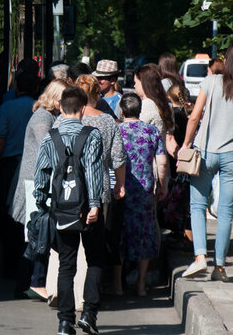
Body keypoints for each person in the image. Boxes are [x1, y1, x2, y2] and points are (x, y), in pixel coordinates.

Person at [181, 43, 233, 282]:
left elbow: (195, 115)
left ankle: (200, 256)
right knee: (225, 210)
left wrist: (186, 144)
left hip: (205, 151)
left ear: (227, 61)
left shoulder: (211, 81)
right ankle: (220, 266)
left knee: (198, 204)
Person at [33, 87, 105, 335]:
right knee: (95, 260)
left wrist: (42, 203)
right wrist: (95, 204)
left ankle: (65, 322)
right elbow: (95, 172)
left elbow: (41, 173)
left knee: (66, 265)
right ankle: (88, 315)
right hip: (87, 207)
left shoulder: (50, 137)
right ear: (83, 109)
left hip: (61, 209)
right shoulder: (92, 136)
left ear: (61, 108)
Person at [10, 79, 69, 300]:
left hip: (37, 180)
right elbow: (50, 146)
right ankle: (31, 283)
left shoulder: (48, 115)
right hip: (34, 182)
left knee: (36, 232)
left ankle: (31, 281)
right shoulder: (43, 118)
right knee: (35, 233)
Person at [73, 75, 128, 296]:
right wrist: (120, 185)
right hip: (100, 187)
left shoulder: (66, 119)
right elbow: (118, 158)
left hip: (70, 188)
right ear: (97, 94)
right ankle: (93, 295)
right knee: (96, 246)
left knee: (70, 246)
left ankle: (70, 294)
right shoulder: (107, 120)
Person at [0, 68, 39, 293]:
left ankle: (9, 266)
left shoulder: (7, 107)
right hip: (31, 166)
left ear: (16, 86)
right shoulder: (39, 109)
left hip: (10, 166)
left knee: (9, 216)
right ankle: (26, 266)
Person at [117, 93, 168, 296]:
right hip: (145, 189)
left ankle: (118, 285)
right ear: (139, 110)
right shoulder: (151, 130)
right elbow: (162, 162)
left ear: (121, 111)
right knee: (144, 234)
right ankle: (141, 284)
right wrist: (162, 185)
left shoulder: (117, 130)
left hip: (121, 189)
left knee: (121, 234)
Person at [161, 84, 193, 248]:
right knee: (187, 200)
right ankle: (187, 236)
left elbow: (171, 140)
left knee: (177, 199)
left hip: (177, 161)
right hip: (191, 161)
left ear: (169, 97)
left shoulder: (173, 115)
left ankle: (179, 234)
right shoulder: (191, 113)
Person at [133, 64, 177, 154]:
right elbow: (169, 138)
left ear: (143, 83)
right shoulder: (164, 104)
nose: (134, 86)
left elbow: (136, 136)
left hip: (148, 160)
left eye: (136, 82)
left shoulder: (147, 105)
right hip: (161, 158)